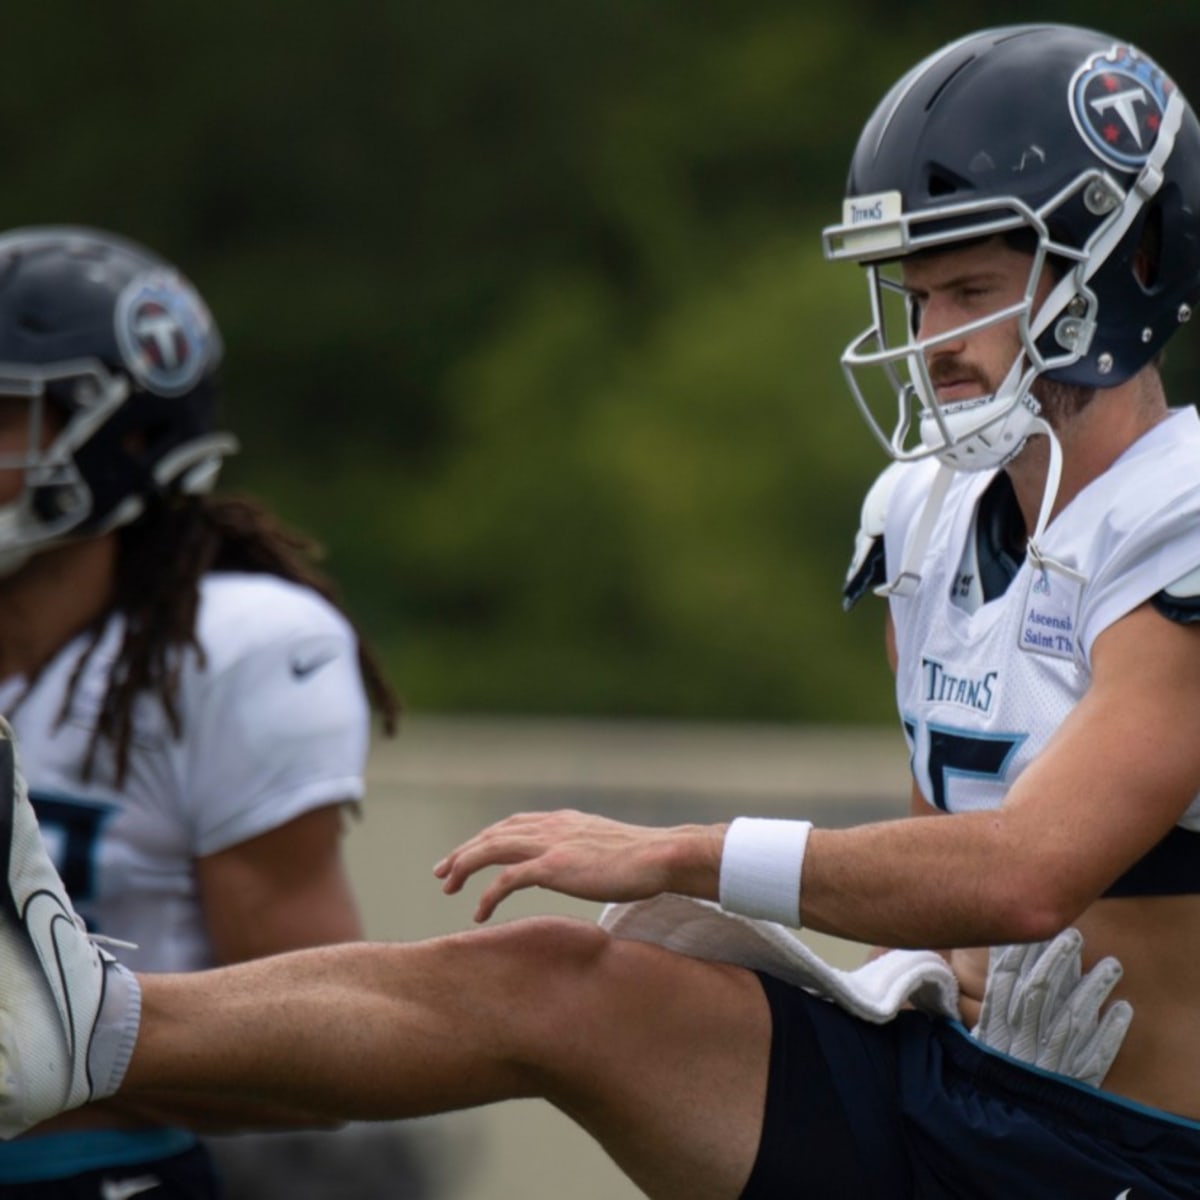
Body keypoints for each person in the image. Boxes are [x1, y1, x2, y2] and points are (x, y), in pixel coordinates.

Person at [4, 21, 1200, 1198]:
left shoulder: (1177, 510)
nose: (934, 340)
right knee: (553, 979)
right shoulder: (925, 518)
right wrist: (921, 973)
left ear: (1126, 268)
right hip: (963, 1091)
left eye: (973, 292)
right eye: (920, 295)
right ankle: (88, 1034)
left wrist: (678, 853)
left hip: (1133, 1153)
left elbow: (1027, 874)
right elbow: (944, 877)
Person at [0, 226, 401, 1198]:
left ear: (125, 437)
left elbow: (323, 1063)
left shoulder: (236, 649)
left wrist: (67, 1052)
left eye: (4, 411)